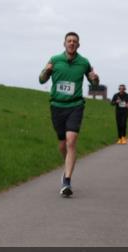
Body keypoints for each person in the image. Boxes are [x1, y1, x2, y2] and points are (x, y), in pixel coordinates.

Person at [38, 32, 100, 197]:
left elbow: (94, 83)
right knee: (62, 145)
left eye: (74, 41)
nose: (72, 43)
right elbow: (41, 79)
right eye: (69, 41)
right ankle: (68, 165)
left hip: (75, 105)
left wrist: (95, 78)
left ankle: (67, 181)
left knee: (71, 141)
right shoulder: (55, 60)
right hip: (57, 106)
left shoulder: (84, 62)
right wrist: (46, 70)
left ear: (78, 45)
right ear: (64, 44)